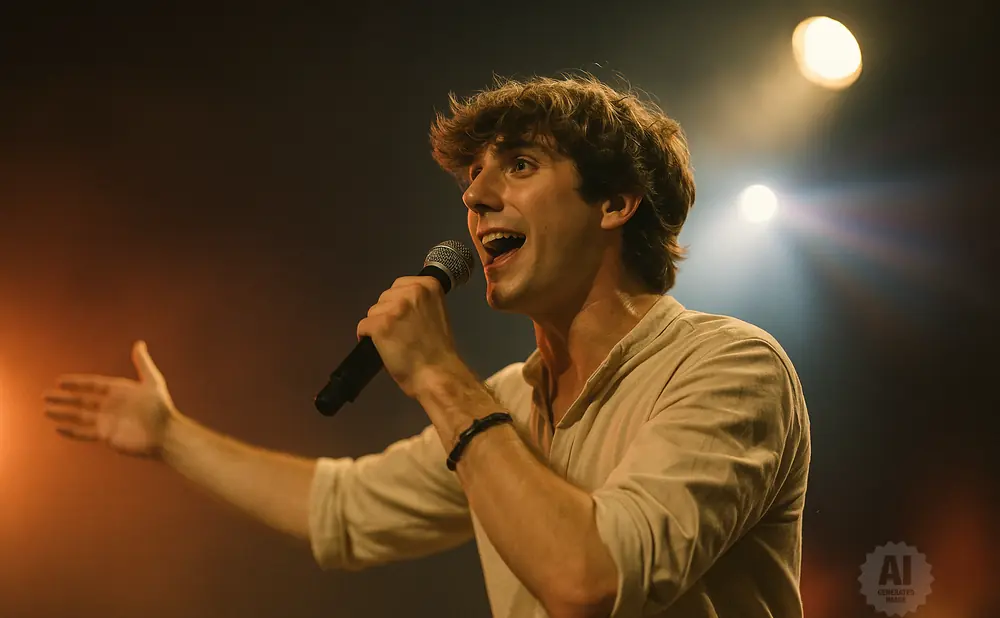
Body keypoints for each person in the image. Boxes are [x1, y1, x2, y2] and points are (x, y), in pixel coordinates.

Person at [42, 74, 811, 618]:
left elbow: (589, 581)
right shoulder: (509, 403)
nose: (475, 198)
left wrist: (440, 375)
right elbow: (337, 509)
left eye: (519, 164)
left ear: (616, 201)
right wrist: (170, 436)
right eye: (472, 178)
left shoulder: (728, 367)